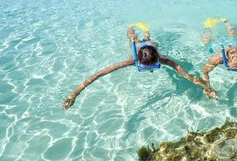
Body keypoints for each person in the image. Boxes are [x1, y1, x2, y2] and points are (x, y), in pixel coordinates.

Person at [62, 23, 207, 110]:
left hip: (150, 47)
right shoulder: (132, 60)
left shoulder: (162, 59)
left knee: (150, 40)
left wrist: (206, 87)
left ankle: (144, 32)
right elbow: (100, 74)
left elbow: (185, 74)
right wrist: (75, 93)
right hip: (138, 48)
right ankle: (131, 28)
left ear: (157, 57)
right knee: (132, 38)